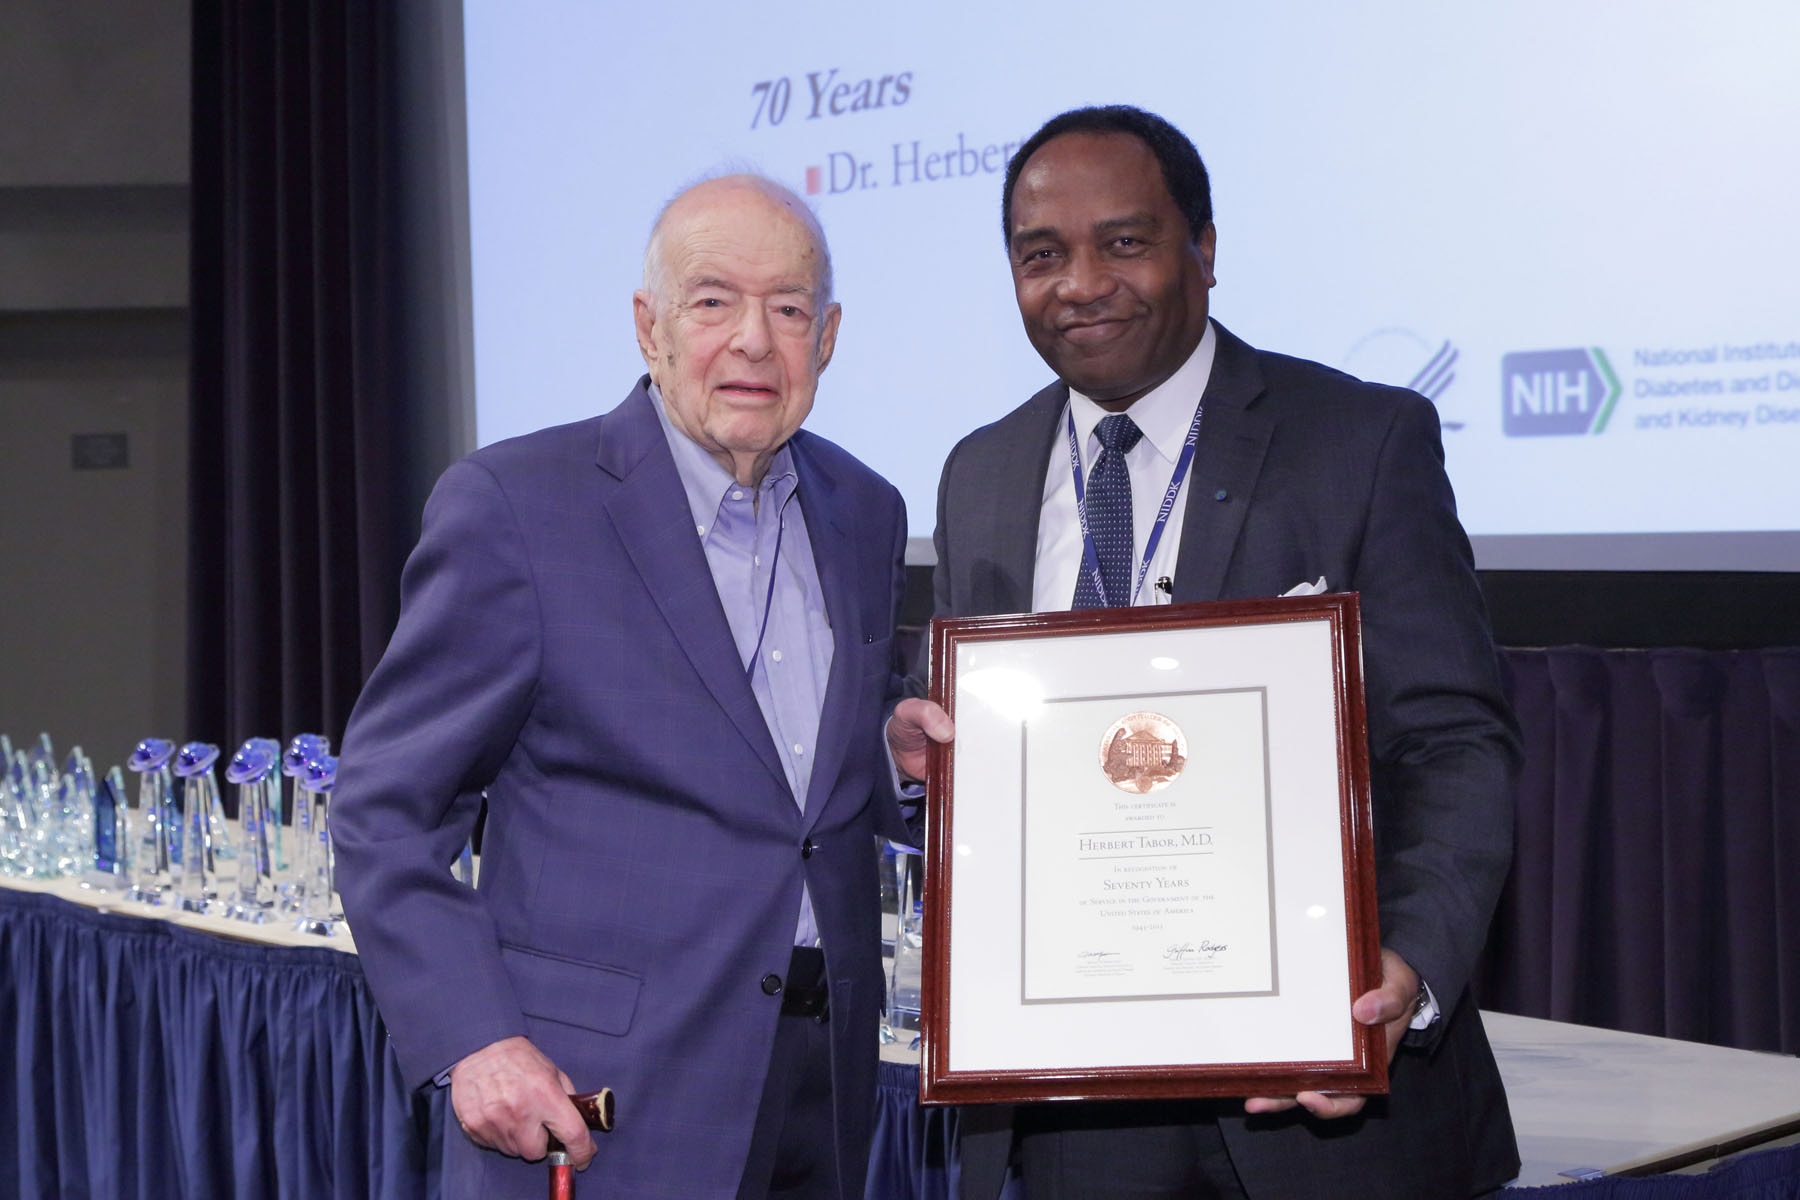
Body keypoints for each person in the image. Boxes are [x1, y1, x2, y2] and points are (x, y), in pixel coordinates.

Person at [889, 105, 1521, 1198]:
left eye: (1124, 242)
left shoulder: (1359, 442)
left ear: (1206, 251)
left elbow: (1457, 742)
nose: (1081, 282)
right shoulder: (980, 472)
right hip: (1068, 1118)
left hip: (1324, 1120)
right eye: (1042, 255)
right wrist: (929, 760)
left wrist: (1399, 974)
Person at [332, 174, 916, 1199]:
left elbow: (794, 791)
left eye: (787, 308)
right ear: (649, 327)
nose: (751, 340)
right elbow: (387, 810)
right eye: (712, 301)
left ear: (827, 338)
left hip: (824, 1091)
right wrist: (475, 1039)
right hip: (601, 1101)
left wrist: (888, 758)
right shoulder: (517, 507)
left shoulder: (866, 511)